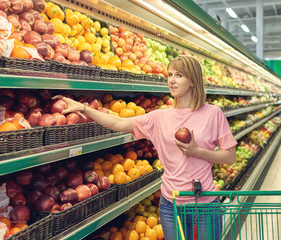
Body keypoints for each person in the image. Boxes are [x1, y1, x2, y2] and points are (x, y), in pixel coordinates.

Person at [54, 55, 237, 240]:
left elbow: (230, 156)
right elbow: (118, 122)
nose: (172, 80)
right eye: (170, 74)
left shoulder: (213, 114)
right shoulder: (158, 118)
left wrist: (198, 152)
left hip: (204, 203)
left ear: (193, 81)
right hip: (170, 204)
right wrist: (84, 108)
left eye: (179, 75)